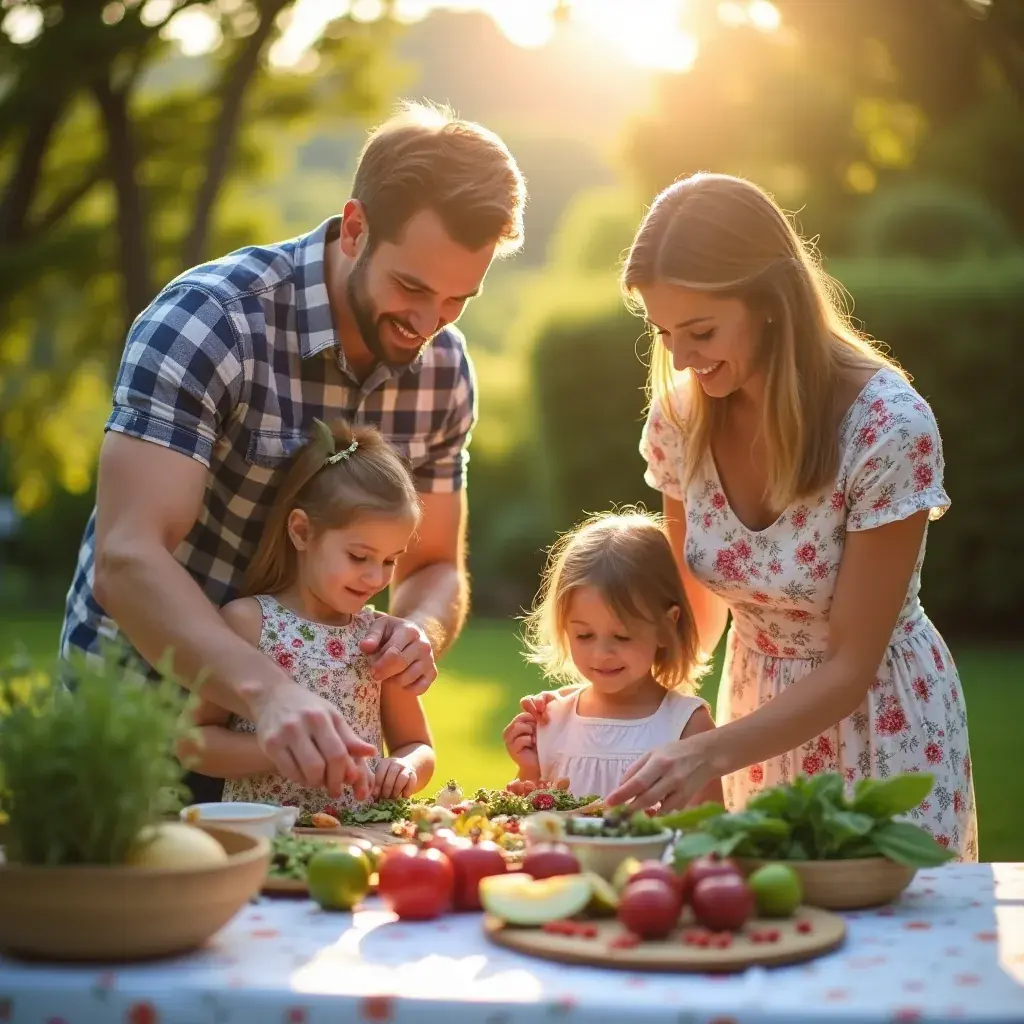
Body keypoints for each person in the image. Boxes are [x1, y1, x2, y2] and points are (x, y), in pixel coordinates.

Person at [60, 100, 526, 805]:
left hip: (312, 771)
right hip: (139, 727)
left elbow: (434, 565)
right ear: (356, 228)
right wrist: (268, 693)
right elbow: (129, 559)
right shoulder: (210, 319)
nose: (429, 323)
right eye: (411, 287)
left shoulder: (444, 371)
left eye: (458, 298)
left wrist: (417, 633)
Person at [525, 173, 977, 860]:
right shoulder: (682, 418)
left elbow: (852, 663)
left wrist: (706, 753)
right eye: (665, 332)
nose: (679, 357)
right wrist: (598, 714)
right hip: (748, 726)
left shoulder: (886, 425)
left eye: (700, 330)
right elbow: (691, 618)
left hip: (879, 729)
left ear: (770, 301)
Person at [178, 419, 434, 811]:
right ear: (301, 531)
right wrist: (278, 748)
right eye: (358, 556)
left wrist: (405, 768)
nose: (375, 576)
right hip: (270, 841)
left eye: (389, 560)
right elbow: (193, 744)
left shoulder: (379, 641)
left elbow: (418, 746)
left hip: (362, 839)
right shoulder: (249, 623)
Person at [503, 510, 724, 807]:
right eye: (584, 636)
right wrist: (529, 768)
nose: (601, 654)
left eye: (622, 636)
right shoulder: (552, 720)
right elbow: (532, 826)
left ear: (666, 626)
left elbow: (704, 832)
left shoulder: (686, 725)